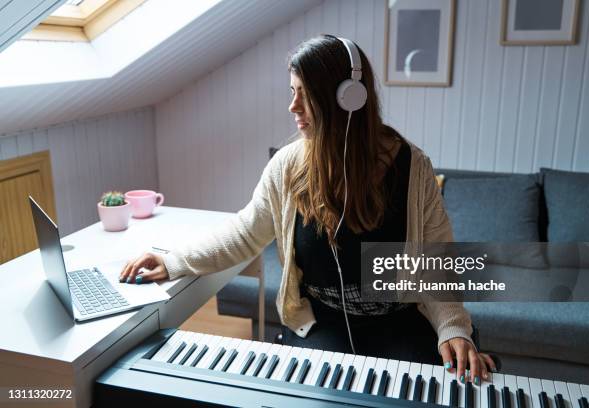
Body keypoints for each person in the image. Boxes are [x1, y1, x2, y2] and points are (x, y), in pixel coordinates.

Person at [119, 35, 496, 385]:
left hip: (399, 324)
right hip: (323, 324)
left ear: (347, 98)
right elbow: (245, 232)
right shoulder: (286, 168)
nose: (292, 107)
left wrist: (453, 328)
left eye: (305, 94)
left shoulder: (413, 168)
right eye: (292, 92)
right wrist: (173, 261)